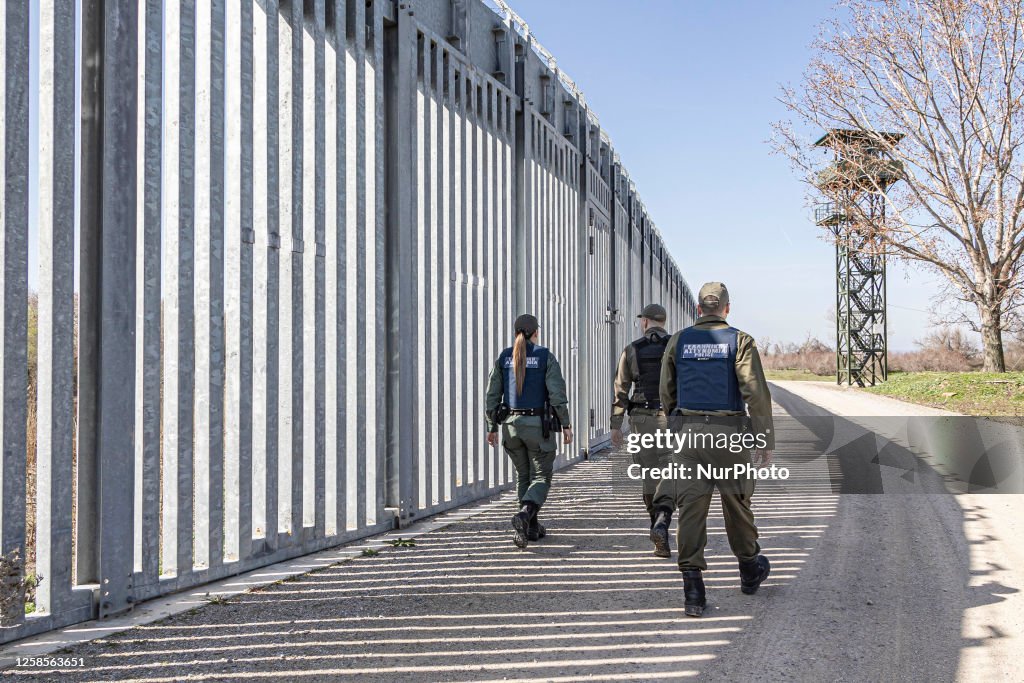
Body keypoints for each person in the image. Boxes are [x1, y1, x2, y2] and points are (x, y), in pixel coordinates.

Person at [660, 282, 774, 617]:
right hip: (729, 435)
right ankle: (749, 570)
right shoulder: (740, 340)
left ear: (698, 309)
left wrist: (675, 424)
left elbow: (667, 390)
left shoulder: (678, 341)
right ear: (726, 308)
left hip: (689, 435)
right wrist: (764, 436)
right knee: (737, 505)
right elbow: (754, 391)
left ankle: (693, 592)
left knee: (691, 509)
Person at [485, 314, 574, 548]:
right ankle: (525, 514)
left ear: (516, 332)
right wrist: (566, 425)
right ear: (536, 332)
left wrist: (491, 427)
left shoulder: (505, 357)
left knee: (524, 476)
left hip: (511, 427)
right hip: (537, 427)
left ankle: (530, 529)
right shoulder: (545, 356)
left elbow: (492, 395)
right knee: (542, 476)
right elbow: (557, 394)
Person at [610, 303, 677, 558]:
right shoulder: (676, 347)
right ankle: (663, 517)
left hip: (641, 419)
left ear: (646, 322)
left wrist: (616, 425)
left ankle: (655, 523)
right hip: (671, 418)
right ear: (664, 321)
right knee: (671, 469)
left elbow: (621, 390)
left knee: (649, 471)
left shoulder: (632, 349)